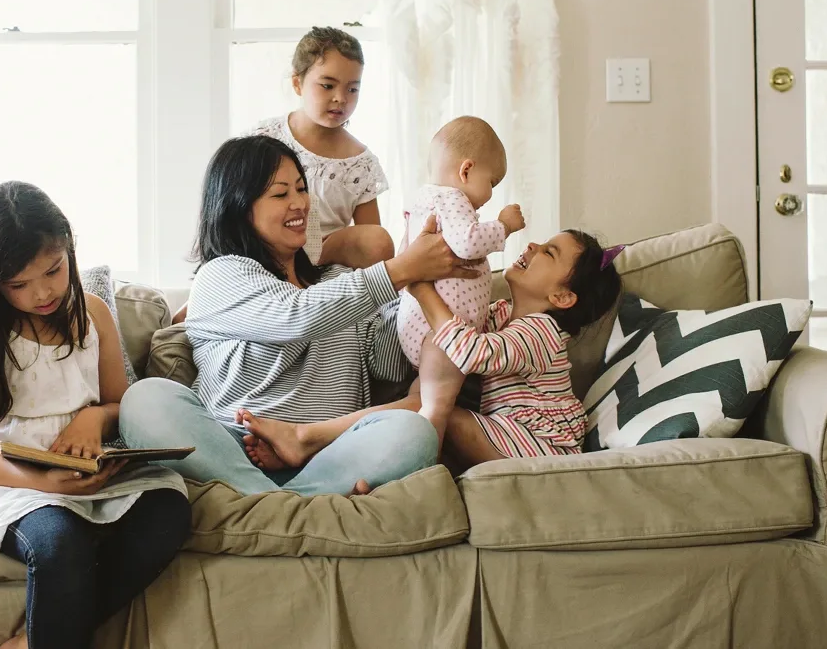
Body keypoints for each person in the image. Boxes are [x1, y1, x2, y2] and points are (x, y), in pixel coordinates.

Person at [118, 135, 479, 496]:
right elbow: (295, 317)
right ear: (239, 207)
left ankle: (269, 504)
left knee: (413, 431)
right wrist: (399, 270)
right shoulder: (221, 275)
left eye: (302, 189)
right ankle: (279, 502)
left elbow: (388, 365)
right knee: (145, 400)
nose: (300, 204)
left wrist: (422, 290)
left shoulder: (341, 280)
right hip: (231, 451)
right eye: (280, 194)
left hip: (327, 458)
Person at [0, 181, 190, 649]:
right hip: (9, 476)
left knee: (168, 513)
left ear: (69, 248)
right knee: (59, 544)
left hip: (86, 465)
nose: (43, 292)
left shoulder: (93, 314)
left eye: (54, 270)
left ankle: (34, 639)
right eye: (19, 285)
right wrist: (44, 483)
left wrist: (94, 420)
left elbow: (117, 402)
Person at [401, 232, 624, 468]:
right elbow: (453, 335)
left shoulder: (543, 330)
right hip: (505, 433)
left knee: (434, 408)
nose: (532, 245)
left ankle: (364, 433)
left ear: (562, 297)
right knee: (424, 395)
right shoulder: (501, 313)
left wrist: (422, 290)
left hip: (540, 449)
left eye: (548, 252)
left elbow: (470, 352)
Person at [397, 116, 525, 450]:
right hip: (440, 336)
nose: (490, 194)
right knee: (437, 410)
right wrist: (504, 226)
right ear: (466, 170)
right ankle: (423, 467)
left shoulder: (424, 200)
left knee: (420, 402)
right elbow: (468, 243)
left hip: (426, 331)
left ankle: (390, 453)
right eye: (492, 182)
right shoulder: (451, 199)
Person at [248, 26, 393, 269]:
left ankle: (308, 266)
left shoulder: (360, 162)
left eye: (352, 89)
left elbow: (371, 241)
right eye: (327, 86)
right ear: (297, 83)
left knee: (378, 240)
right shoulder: (265, 138)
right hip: (267, 250)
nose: (341, 98)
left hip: (326, 262)